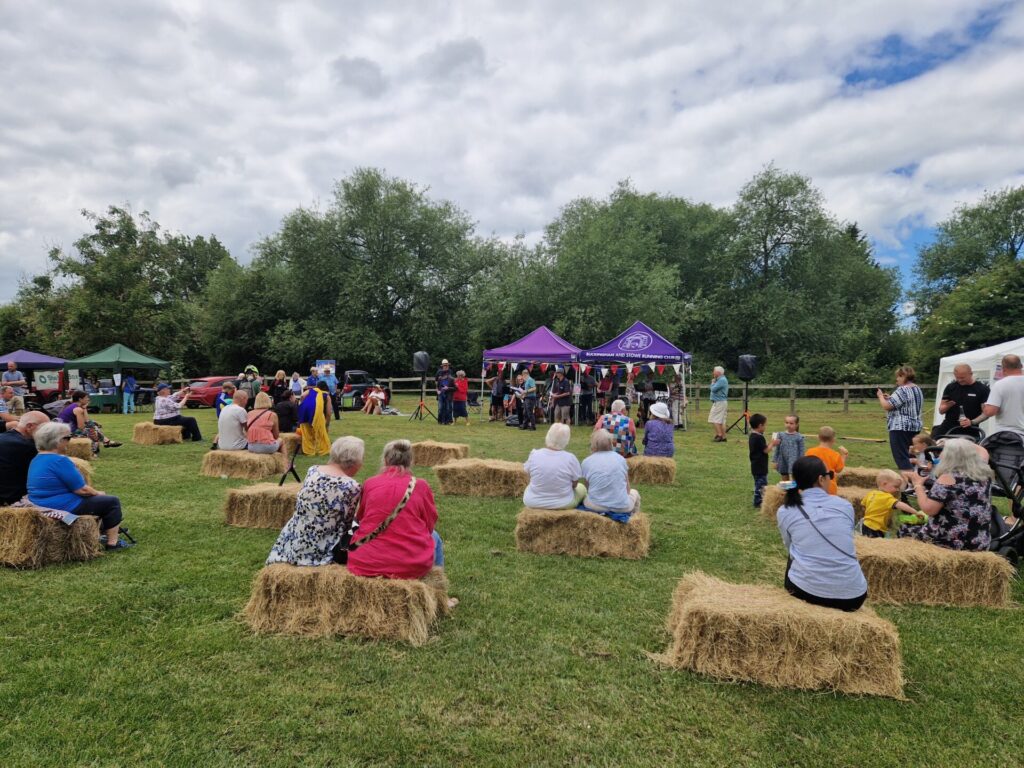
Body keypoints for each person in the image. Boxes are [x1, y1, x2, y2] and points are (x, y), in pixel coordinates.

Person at [347, 440, 453, 604]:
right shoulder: (421, 485)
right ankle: (440, 597)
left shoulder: (370, 483)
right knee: (435, 537)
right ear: (411, 461)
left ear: (385, 460)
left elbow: (361, 518)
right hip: (411, 563)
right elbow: (430, 523)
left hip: (365, 560)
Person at [776, 456, 867, 611]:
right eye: (830, 475)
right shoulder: (845, 506)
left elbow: (789, 547)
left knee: (795, 553)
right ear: (821, 479)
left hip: (805, 591)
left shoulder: (785, 510)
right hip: (853, 596)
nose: (831, 479)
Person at [27, 422, 132, 550]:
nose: (70, 441)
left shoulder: (37, 458)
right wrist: (98, 493)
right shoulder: (60, 460)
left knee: (98, 502)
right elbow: (81, 490)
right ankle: (113, 543)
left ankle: (104, 529)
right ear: (58, 441)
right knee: (111, 502)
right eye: (68, 438)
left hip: (39, 502)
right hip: (60, 504)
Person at [266, 436, 364, 566]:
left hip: (294, 537)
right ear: (354, 461)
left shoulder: (313, 470)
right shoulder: (352, 486)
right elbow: (347, 524)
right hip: (321, 547)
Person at [899, 438, 994, 551]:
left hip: (949, 541)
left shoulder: (948, 478)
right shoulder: (984, 475)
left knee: (904, 528)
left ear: (950, 456)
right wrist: (962, 445)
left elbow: (929, 509)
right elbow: (983, 451)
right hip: (978, 541)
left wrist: (918, 485)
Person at [876, 365, 924, 481]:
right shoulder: (917, 389)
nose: (896, 379)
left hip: (900, 428)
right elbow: (900, 403)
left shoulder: (902, 389)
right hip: (914, 428)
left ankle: (907, 486)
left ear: (904, 376)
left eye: (898, 377)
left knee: (902, 458)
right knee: (911, 455)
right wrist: (890, 398)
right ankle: (916, 483)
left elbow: (887, 406)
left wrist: (880, 397)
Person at [522, 423, 586, 509]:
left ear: (548, 436)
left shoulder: (534, 454)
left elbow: (529, 476)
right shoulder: (571, 458)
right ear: (566, 441)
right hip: (563, 503)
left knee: (530, 486)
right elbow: (574, 484)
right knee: (582, 488)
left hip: (533, 501)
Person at [580, 429, 641, 519]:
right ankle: (633, 518)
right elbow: (627, 489)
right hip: (622, 507)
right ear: (611, 443)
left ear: (593, 444)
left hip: (595, 506)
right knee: (634, 493)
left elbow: (587, 489)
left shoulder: (586, 462)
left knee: (582, 494)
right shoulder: (621, 459)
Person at [0, 411, 49, 504]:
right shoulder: (28, 446)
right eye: (45, 428)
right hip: (12, 498)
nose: (47, 432)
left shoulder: (2, 437)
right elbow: (44, 476)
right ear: (29, 426)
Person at [861, 469, 923, 538]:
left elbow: (863, 506)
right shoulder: (887, 497)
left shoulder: (871, 493)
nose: (897, 489)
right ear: (884, 484)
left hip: (865, 524)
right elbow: (901, 505)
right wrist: (916, 512)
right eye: (895, 486)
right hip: (875, 528)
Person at [932, 363, 989, 439]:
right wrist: (947, 406)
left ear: (971, 374)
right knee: (931, 445)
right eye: (957, 377)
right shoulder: (951, 387)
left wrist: (972, 422)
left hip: (969, 431)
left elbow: (986, 413)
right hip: (948, 428)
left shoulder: (982, 389)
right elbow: (941, 411)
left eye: (962, 377)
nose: (959, 380)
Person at [972, 354, 1024, 436]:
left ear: (1003, 368)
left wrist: (985, 407)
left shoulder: (1000, 384)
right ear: (1021, 366)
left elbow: (990, 412)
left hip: (1009, 434)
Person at [57, 390, 122, 455]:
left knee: (92, 426)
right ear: (80, 399)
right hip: (66, 435)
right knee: (92, 430)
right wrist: (92, 426)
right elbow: (81, 427)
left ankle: (106, 442)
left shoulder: (74, 406)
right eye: (86, 398)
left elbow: (86, 421)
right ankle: (95, 451)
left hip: (64, 432)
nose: (88, 399)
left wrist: (85, 408)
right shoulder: (78, 409)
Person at [804, 426, 847, 494]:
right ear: (833, 440)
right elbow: (839, 469)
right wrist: (844, 456)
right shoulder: (835, 455)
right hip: (829, 488)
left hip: (812, 486)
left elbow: (805, 467)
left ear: (818, 438)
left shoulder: (809, 452)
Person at [748, 413, 779, 508]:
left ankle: (759, 498)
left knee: (758, 482)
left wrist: (769, 443)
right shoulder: (759, 437)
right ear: (760, 425)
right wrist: (773, 443)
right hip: (760, 466)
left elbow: (762, 448)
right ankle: (758, 502)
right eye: (765, 425)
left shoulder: (753, 435)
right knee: (761, 485)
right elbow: (766, 450)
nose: (765, 427)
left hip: (755, 465)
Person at [298, 382, 331, 456]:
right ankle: (323, 450)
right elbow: (328, 413)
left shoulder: (311, 390)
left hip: (304, 411)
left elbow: (302, 396)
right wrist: (327, 424)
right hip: (317, 413)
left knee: (306, 431)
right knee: (320, 432)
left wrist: (303, 404)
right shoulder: (326, 395)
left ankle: (309, 451)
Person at [708, 366, 729, 442]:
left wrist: (713, 382)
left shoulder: (721, 380)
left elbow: (713, 389)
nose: (713, 373)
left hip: (719, 402)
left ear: (718, 372)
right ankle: (723, 437)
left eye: (714, 371)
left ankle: (719, 435)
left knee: (715, 419)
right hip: (720, 402)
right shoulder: (721, 380)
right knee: (721, 421)